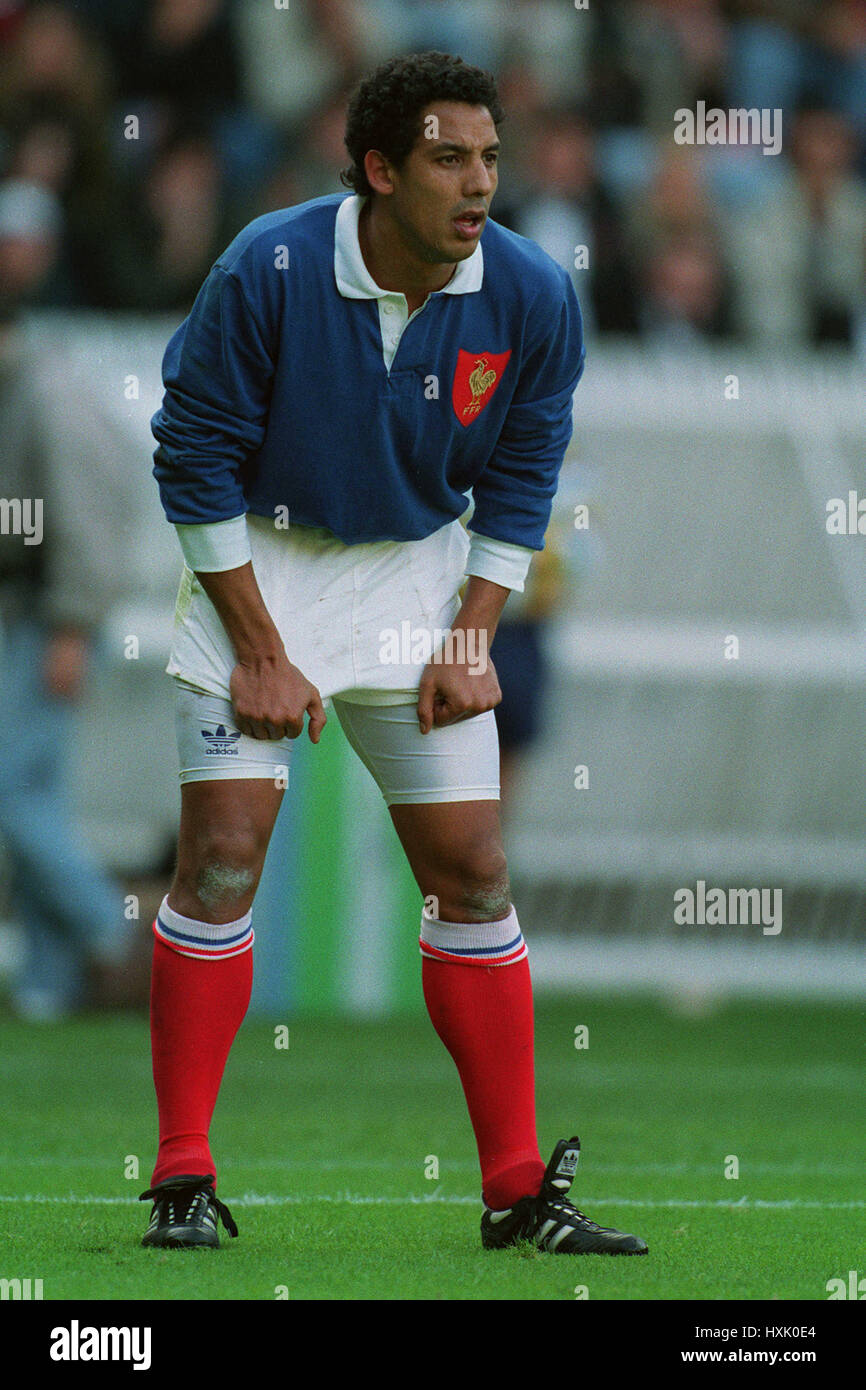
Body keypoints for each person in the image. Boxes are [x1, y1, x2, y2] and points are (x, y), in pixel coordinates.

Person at [140, 51, 647, 1258]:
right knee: (219, 860)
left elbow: (522, 476)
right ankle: (181, 1178)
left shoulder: (528, 292)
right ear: (377, 169)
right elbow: (191, 457)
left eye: (487, 157)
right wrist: (262, 651)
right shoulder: (265, 264)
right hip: (256, 563)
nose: (477, 184)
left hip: (418, 571)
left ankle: (517, 1192)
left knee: (471, 869)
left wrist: (471, 634)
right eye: (445, 158)